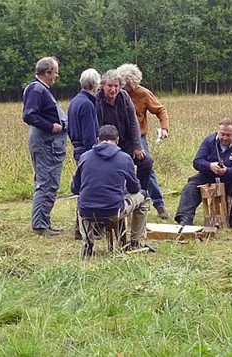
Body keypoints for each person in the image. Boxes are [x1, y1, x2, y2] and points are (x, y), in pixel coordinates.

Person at [71, 125, 151, 256]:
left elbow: (75, 189)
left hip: (87, 211)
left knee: (81, 201)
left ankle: (87, 243)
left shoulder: (84, 157)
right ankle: (135, 241)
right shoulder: (125, 158)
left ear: (98, 139)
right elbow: (134, 188)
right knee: (144, 197)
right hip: (114, 211)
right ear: (117, 140)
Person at [174, 118, 232, 228]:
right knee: (190, 186)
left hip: (230, 179)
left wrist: (227, 171)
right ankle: (185, 217)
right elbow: (197, 161)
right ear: (218, 132)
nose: (225, 138)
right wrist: (209, 166)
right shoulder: (209, 141)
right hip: (208, 176)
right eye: (222, 134)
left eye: (228, 135)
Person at [117, 63, 170, 219]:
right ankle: (122, 203)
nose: (127, 90)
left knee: (147, 166)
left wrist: (164, 128)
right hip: (120, 139)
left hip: (139, 137)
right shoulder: (116, 93)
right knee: (119, 169)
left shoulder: (143, 94)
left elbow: (160, 110)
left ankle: (158, 204)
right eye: (124, 86)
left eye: (130, 87)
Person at [22, 56, 67, 236]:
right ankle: (40, 225)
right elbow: (28, 115)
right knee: (46, 181)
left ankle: (44, 222)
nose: (56, 75)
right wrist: (51, 126)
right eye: (55, 72)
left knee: (49, 181)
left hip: (48, 144)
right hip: (45, 143)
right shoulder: (36, 89)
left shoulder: (41, 89)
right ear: (48, 72)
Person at [95, 69, 153, 192]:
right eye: (109, 86)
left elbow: (133, 121)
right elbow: (96, 127)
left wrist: (137, 146)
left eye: (116, 86)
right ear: (103, 86)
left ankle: (140, 194)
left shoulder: (124, 96)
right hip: (107, 144)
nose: (113, 90)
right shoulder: (97, 100)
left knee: (146, 162)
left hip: (127, 142)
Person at [67, 68, 101, 240]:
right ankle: (83, 229)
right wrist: (96, 152)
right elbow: (89, 134)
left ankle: (82, 228)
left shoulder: (74, 101)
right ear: (96, 84)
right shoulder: (87, 104)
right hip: (87, 151)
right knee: (89, 190)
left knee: (84, 188)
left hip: (77, 149)